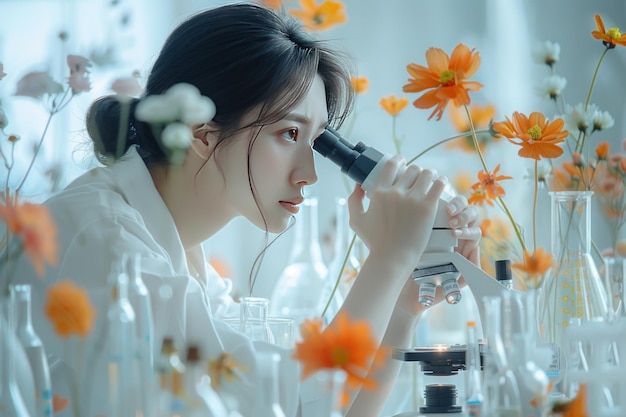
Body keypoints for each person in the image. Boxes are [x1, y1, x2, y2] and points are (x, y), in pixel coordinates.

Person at [11, 3, 481, 417]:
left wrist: (401, 309)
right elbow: (289, 403)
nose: (309, 175)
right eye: (289, 134)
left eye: (316, 143)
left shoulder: (177, 248)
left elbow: (321, 409)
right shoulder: (105, 241)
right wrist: (389, 257)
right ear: (201, 132)